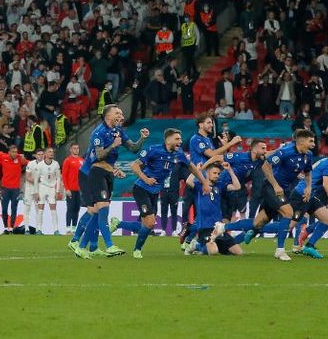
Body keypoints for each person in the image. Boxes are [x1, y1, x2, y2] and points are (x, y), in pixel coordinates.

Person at [111, 129, 205, 258]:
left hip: (155, 192)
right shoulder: (154, 149)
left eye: (180, 139)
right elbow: (134, 165)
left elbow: (193, 168)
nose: (180, 141)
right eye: (177, 139)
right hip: (141, 189)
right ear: (168, 140)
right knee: (150, 223)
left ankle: (118, 223)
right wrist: (146, 179)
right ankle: (137, 250)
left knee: (146, 226)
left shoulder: (179, 154)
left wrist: (204, 182)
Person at [72, 105, 147, 259]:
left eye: (121, 112)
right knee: (102, 208)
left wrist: (142, 138)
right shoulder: (98, 132)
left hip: (108, 173)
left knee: (97, 211)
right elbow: (99, 156)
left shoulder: (118, 131)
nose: (121, 115)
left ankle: (81, 247)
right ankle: (109, 245)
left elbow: (133, 148)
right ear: (108, 116)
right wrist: (113, 145)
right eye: (117, 112)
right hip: (97, 172)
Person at [241, 129, 316, 261]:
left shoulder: (308, 155)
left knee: (259, 222)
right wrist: (275, 185)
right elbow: (265, 166)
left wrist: (309, 186)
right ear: (302, 141)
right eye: (311, 141)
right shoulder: (286, 151)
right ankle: (280, 250)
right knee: (288, 213)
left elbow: (308, 172)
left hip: (284, 190)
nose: (314, 143)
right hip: (271, 187)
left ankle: (224, 228)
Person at [178, 113, 240, 246]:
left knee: (208, 211)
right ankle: (192, 236)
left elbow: (217, 158)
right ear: (200, 125)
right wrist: (231, 143)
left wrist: (224, 148)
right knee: (204, 211)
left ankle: (190, 237)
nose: (211, 125)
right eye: (208, 122)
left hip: (208, 178)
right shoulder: (196, 139)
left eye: (211, 122)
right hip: (198, 178)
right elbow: (212, 155)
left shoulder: (208, 140)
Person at [290, 144, 328, 259]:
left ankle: (309, 246)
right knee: (288, 225)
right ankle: (255, 228)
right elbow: (326, 184)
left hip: (310, 195)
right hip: (301, 195)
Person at [189, 161, 245, 256]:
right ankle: (197, 245)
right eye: (214, 173)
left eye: (218, 173)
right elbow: (188, 181)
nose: (217, 175)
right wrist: (197, 170)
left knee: (239, 252)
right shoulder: (199, 185)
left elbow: (237, 186)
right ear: (207, 173)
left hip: (218, 228)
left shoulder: (220, 185)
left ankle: (216, 246)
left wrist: (230, 171)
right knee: (213, 252)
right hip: (205, 227)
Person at [0, 144, 28, 233]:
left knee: (14, 208)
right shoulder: (3, 158)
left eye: (16, 152)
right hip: (5, 188)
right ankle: (5, 228)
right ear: (9, 152)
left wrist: (20, 156)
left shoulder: (19, 159)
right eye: (13, 152)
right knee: (4, 209)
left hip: (15, 188)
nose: (15, 153)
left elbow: (29, 163)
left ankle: (11, 228)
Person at [35, 147, 63, 235]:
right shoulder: (40, 165)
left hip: (52, 188)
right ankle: (38, 230)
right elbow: (36, 179)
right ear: (45, 154)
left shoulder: (56, 164)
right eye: (49, 152)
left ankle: (56, 230)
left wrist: (57, 191)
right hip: (42, 187)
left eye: (52, 152)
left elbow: (58, 178)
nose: (51, 153)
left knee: (53, 209)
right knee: (40, 208)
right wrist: (36, 192)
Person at [61, 143, 83, 231]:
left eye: (77, 148)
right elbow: (64, 176)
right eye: (74, 148)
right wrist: (67, 189)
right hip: (70, 189)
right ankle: (67, 228)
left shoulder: (82, 160)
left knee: (77, 208)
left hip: (79, 189)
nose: (76, 150)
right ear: (71, 150)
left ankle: (74, 228)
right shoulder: (68, 160)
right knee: (70, 208)